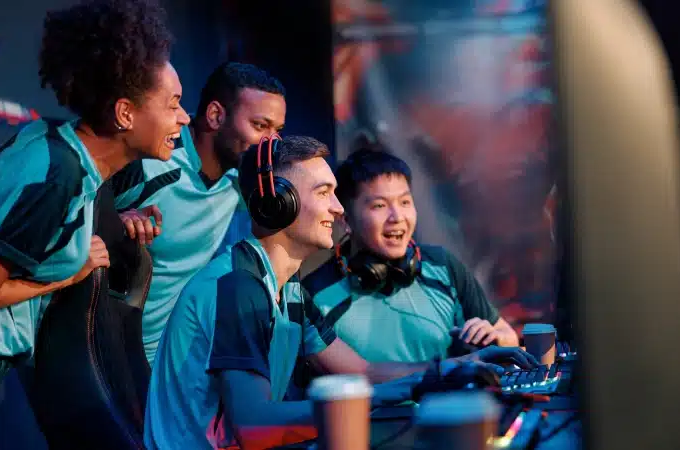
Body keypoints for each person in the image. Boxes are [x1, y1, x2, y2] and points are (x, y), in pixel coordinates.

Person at [144, 135, 538, 449]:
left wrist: (453, 368)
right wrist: (364, 403)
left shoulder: (286, 289)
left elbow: (361, 372)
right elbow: (253, 426)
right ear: (279, 203)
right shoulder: (237, 288)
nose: (337, 208)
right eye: (323, 193)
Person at [0, 0, 188, 446]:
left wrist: (109, 221)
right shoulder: (62, 175)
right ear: (125, 114)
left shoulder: (59, 149)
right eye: (173, 106)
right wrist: (67, 277)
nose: (183, 118)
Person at [110, 62, 286, 364]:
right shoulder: (150, 157)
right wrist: (114, 222)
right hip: (97, 348)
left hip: (163, 357)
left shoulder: (243, 178)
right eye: (260, 126)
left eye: (278, 131)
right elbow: (73, 223)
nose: (272, 144)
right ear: (216, 115)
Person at [302, 147, 519, 363]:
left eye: (405, 202)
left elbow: (508, 337)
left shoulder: (443, 266)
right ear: (345, 220)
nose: (397, 217)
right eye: (379, 205)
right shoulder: (315, 295)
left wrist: (496, 339)